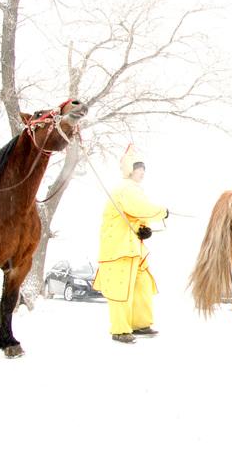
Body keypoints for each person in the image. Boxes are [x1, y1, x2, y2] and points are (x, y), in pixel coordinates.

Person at [92, 145, 168, 343]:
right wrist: (162, 211)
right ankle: (119, 329)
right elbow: (140, 208)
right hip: (118, 250)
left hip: (133, 249)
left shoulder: (134, 189)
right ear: (129, 169)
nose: (142, 172)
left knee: (141, 286)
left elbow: (136, 216)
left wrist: (144, 229)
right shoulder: (124, 189)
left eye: (143, 168)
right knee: (121, 288)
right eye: (138, 168)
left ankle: (139, 324)